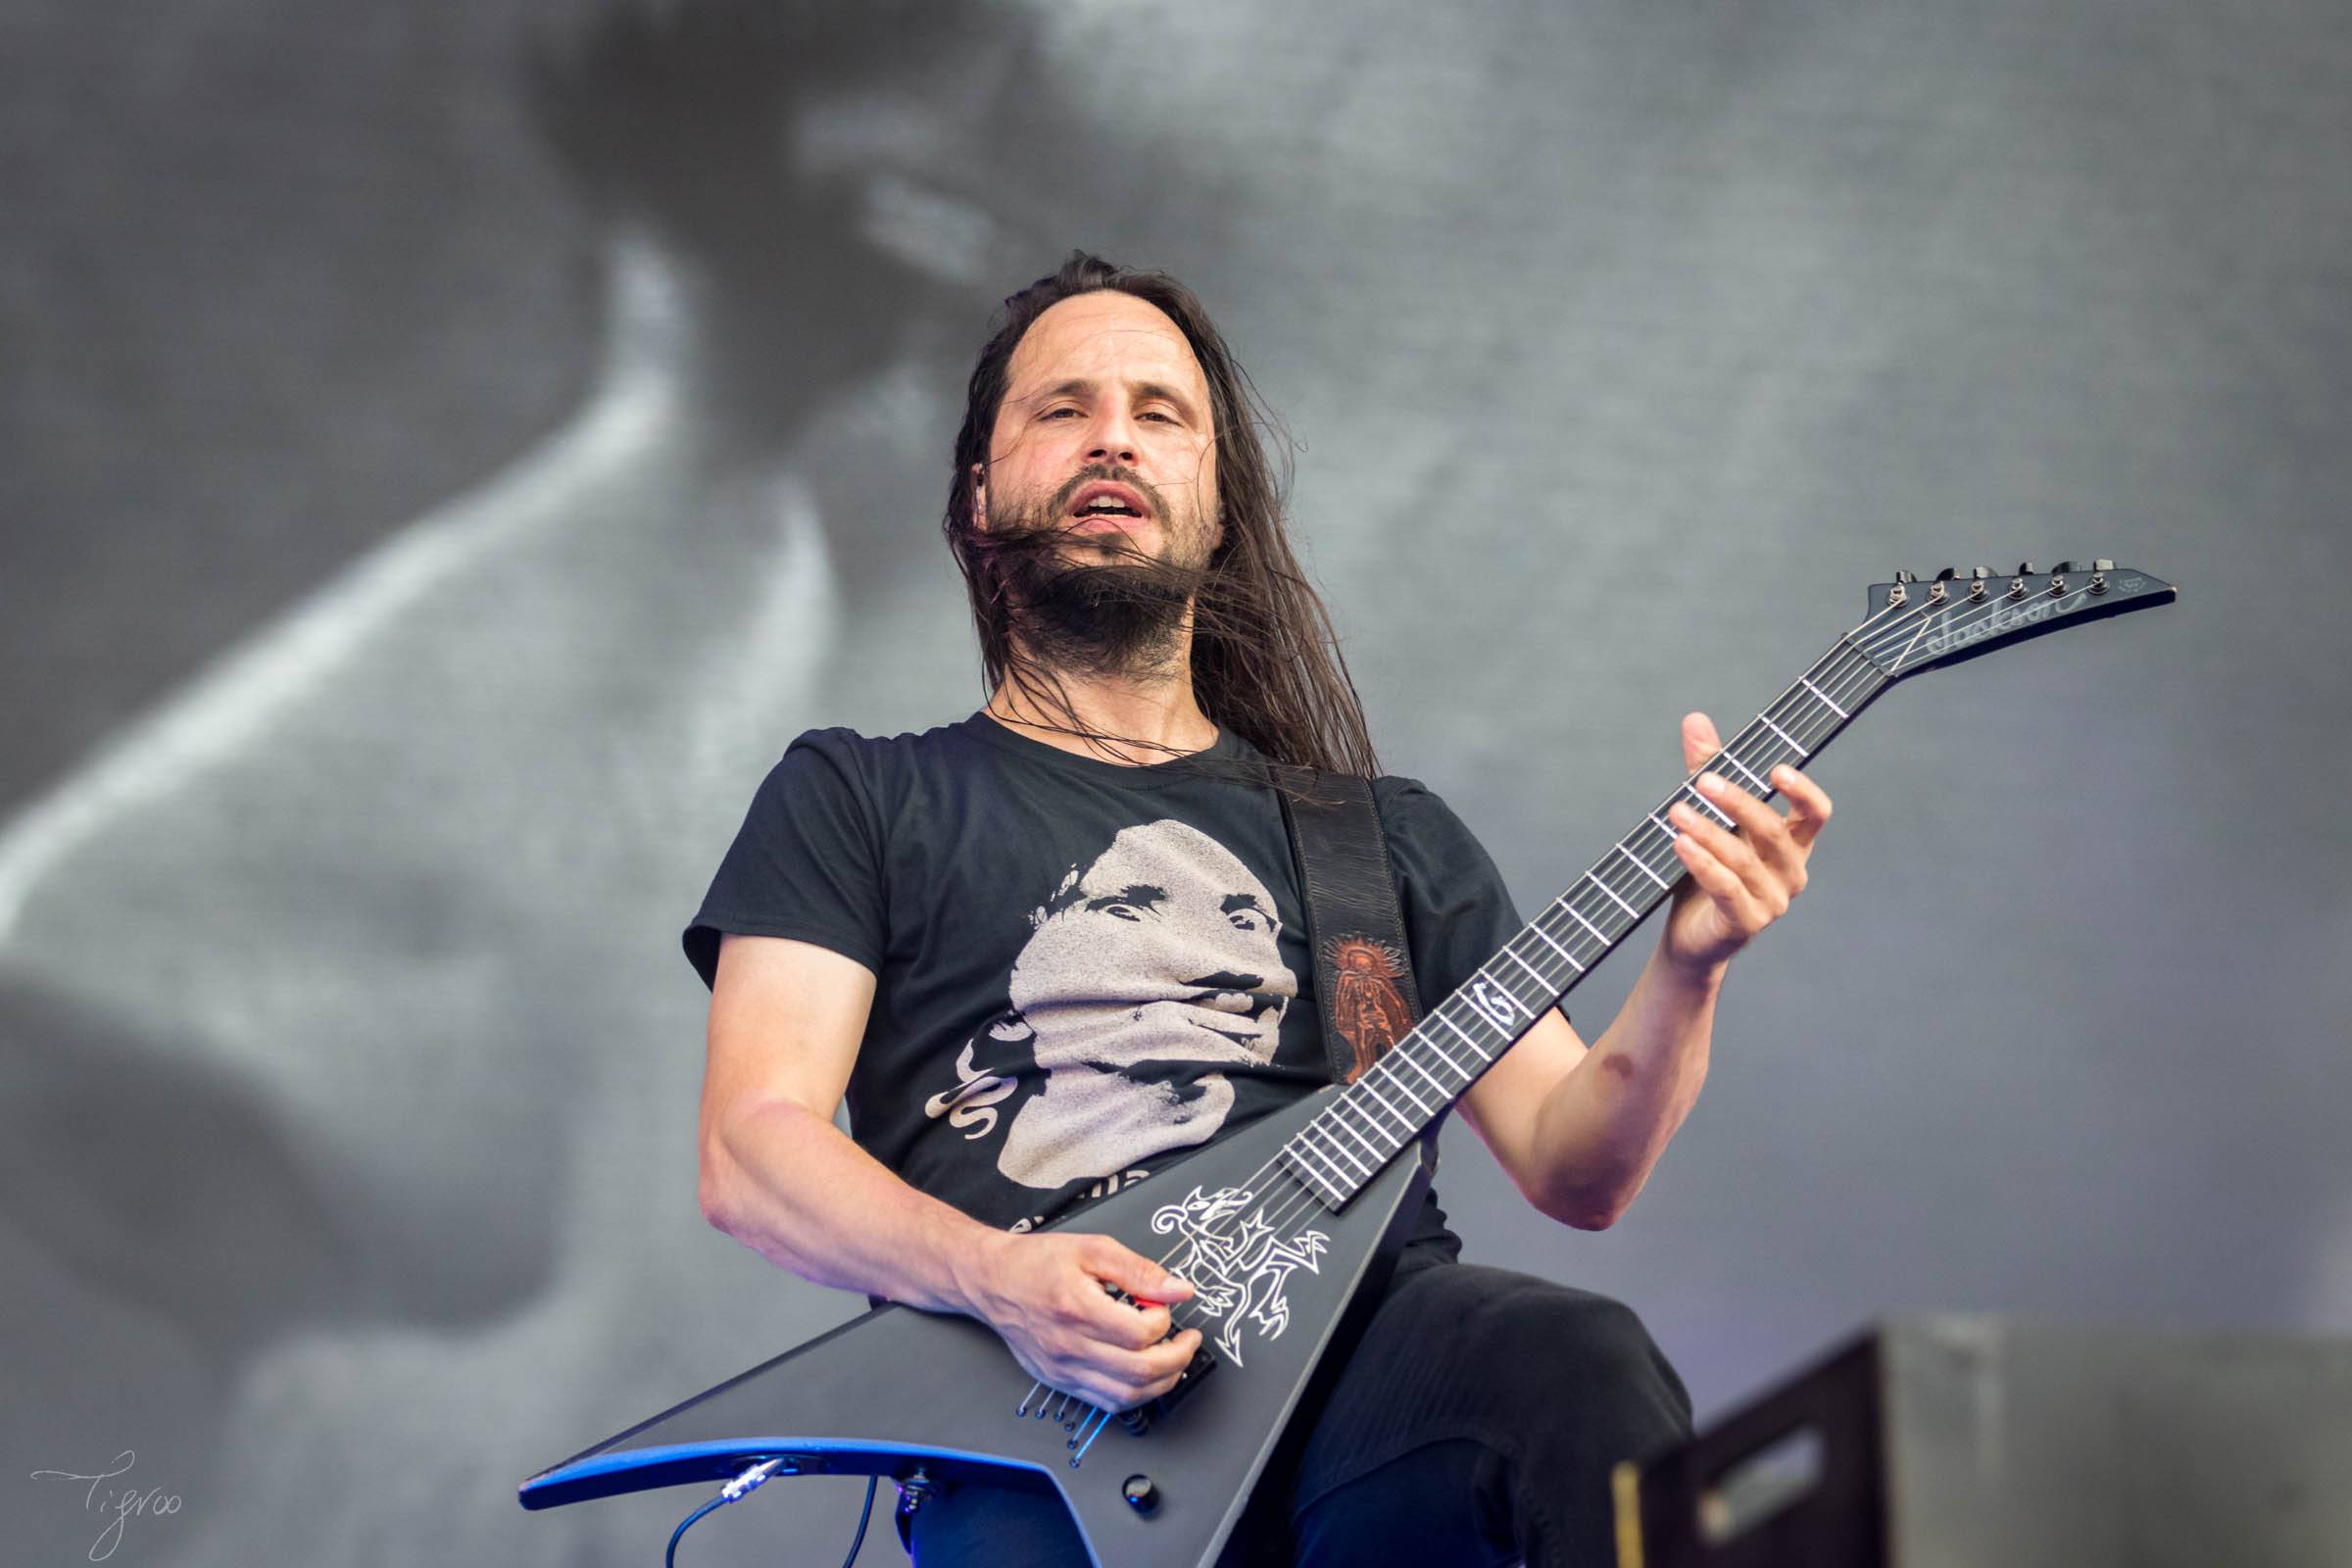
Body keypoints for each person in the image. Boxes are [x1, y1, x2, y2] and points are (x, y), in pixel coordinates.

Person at [688, 252, 1834, 1567]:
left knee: (1573, 1367)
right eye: (1061, 408)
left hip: (1371, 1378)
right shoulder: (860, 796)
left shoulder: (1378, 840)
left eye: (1159, 411)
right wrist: (1000, 1279)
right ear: (980, 487)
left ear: (1216, 503)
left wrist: (1692, 969)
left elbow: (1578, 1170)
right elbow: (753, 1152)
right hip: (1037, 1422)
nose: (1112, 433)